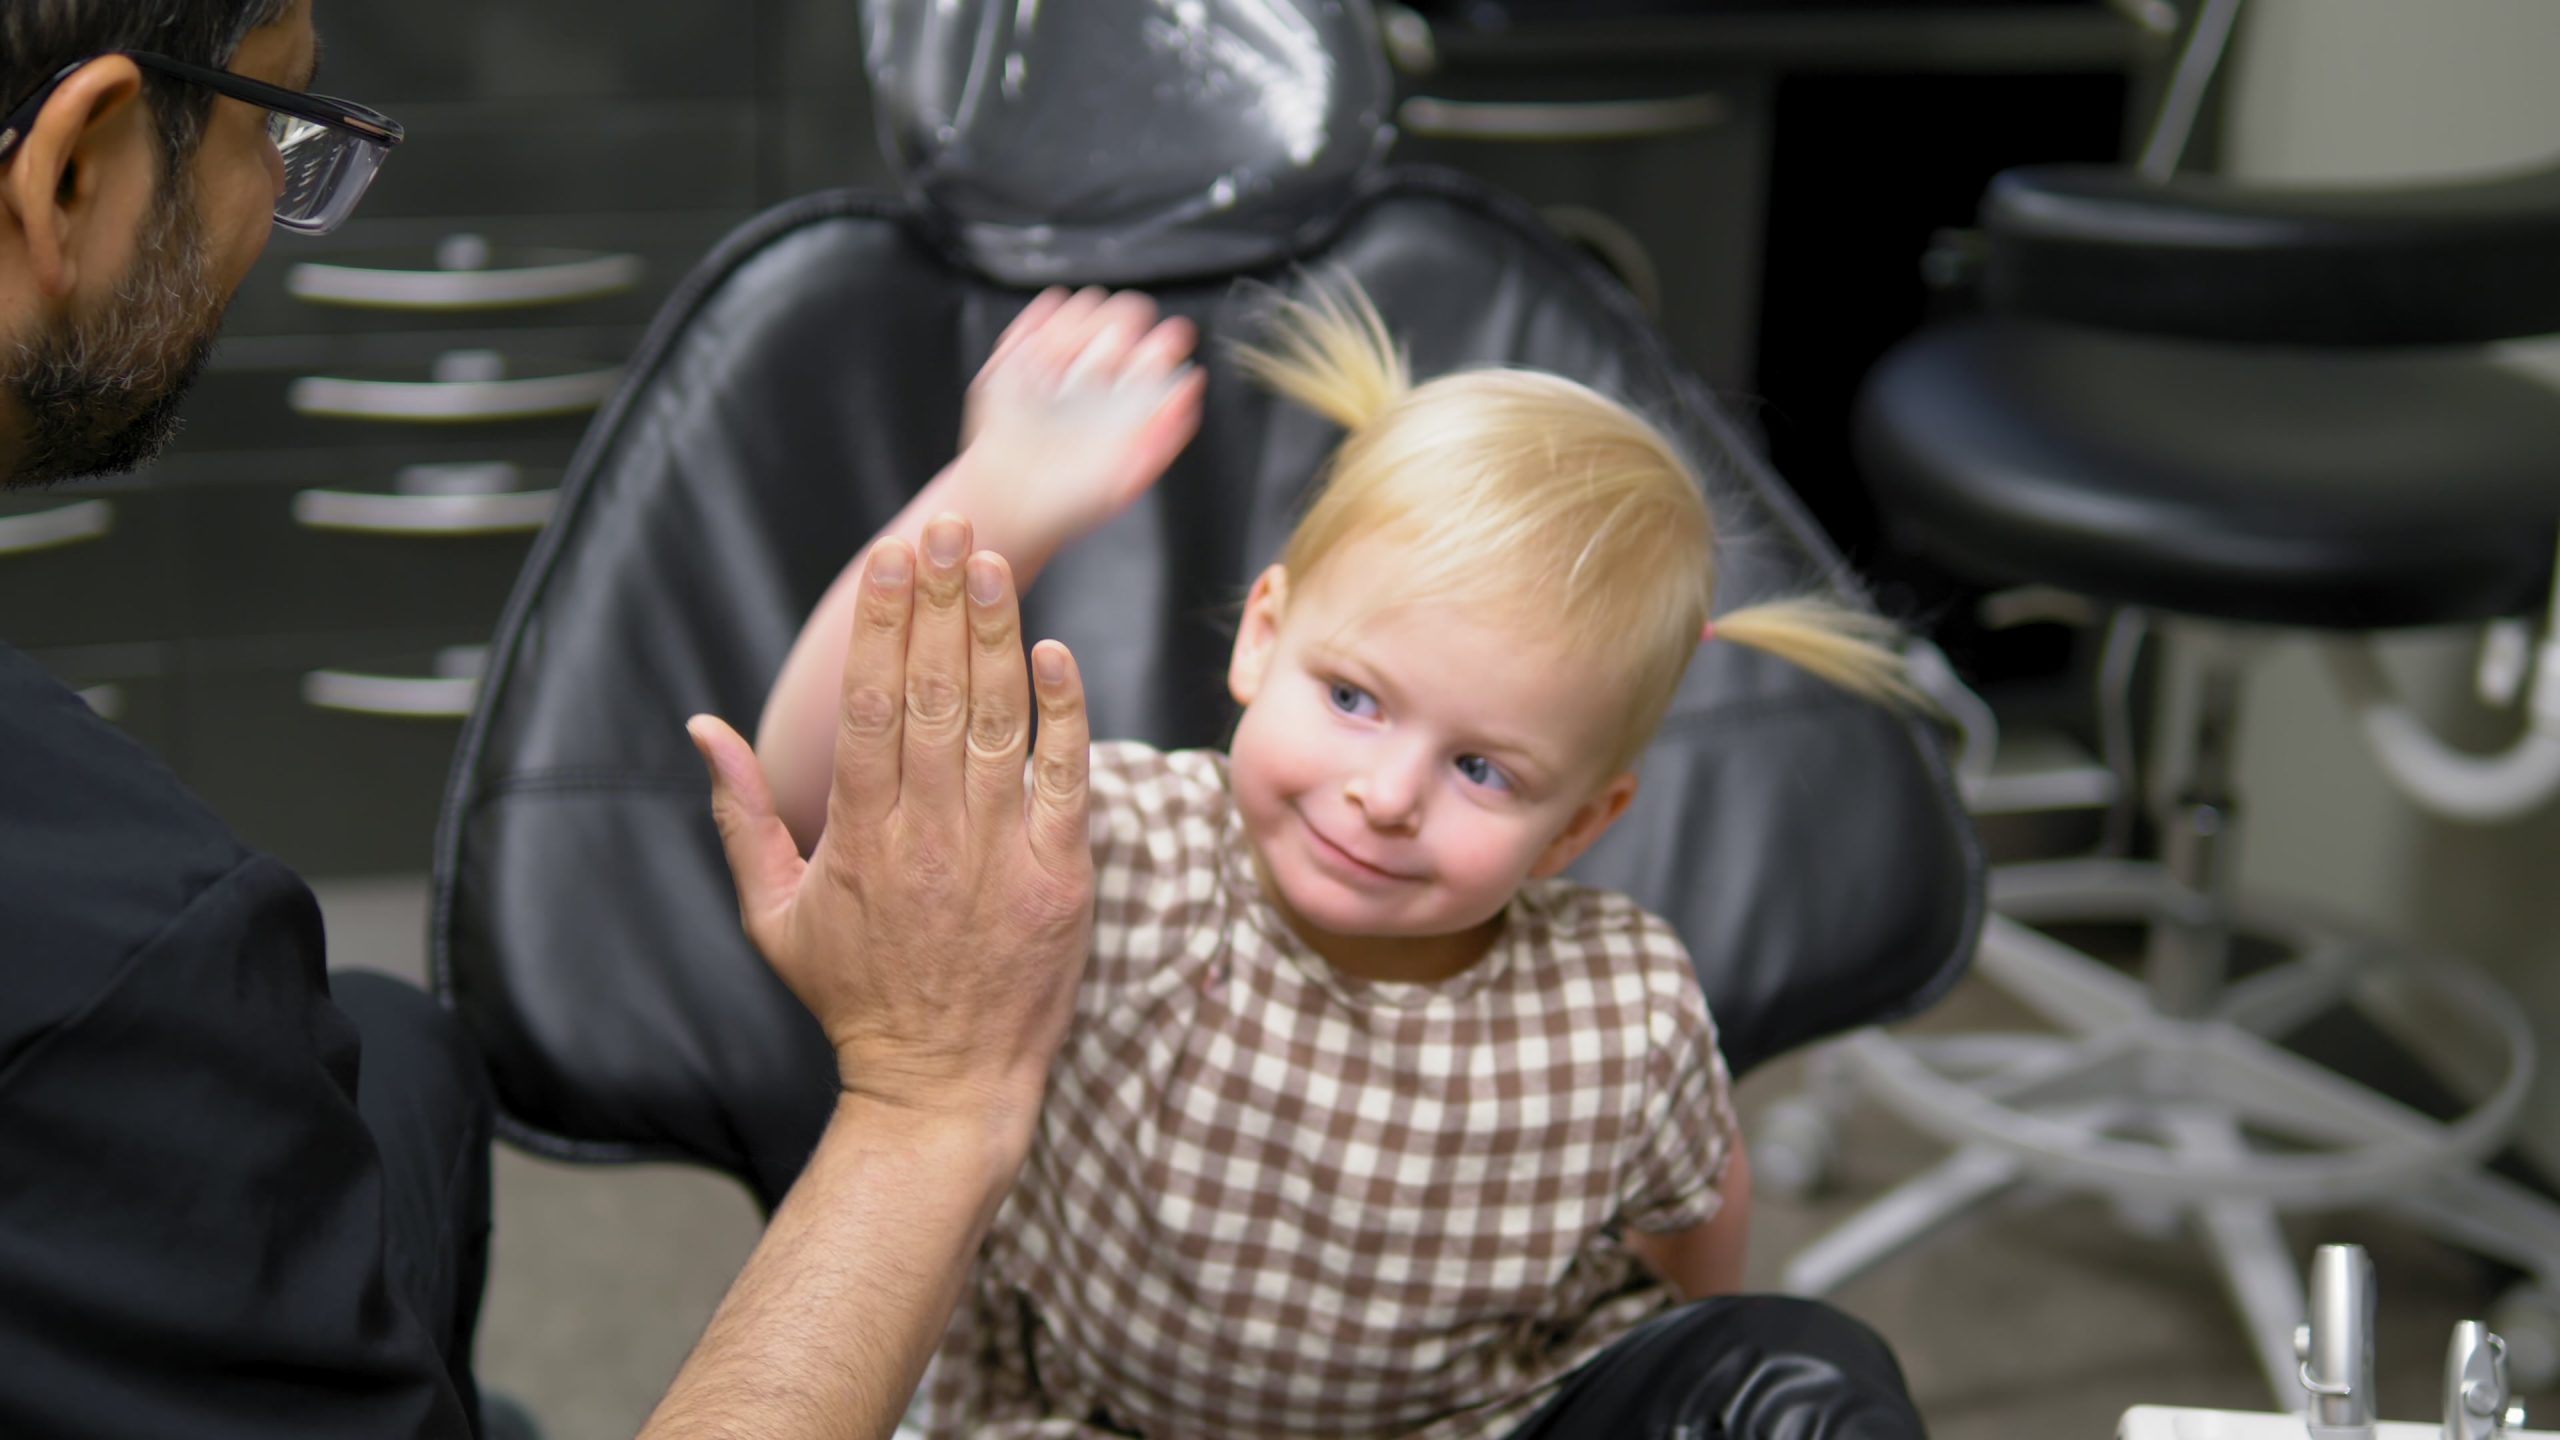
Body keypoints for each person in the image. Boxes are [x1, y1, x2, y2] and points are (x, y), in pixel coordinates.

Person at [0, 2, 1100, 1437]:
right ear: (72, 169)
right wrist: (928, 1103)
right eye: (270, 126)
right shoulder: (130, 966)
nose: (277, 191)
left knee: (393, 1053)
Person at [757, 281, 1929, 1437]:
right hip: (1106, 1418)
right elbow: (814, 792)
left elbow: (1693, 1232)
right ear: (1265, 638)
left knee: (1796, 1377)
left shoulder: (1622, 1007)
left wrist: (1695, 1371)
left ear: (1579, 823)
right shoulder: (1106, 849)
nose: (1384, 797)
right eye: (1355, 697)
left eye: (1483, 770)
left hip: (1490, 1424)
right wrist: (1000, 497)